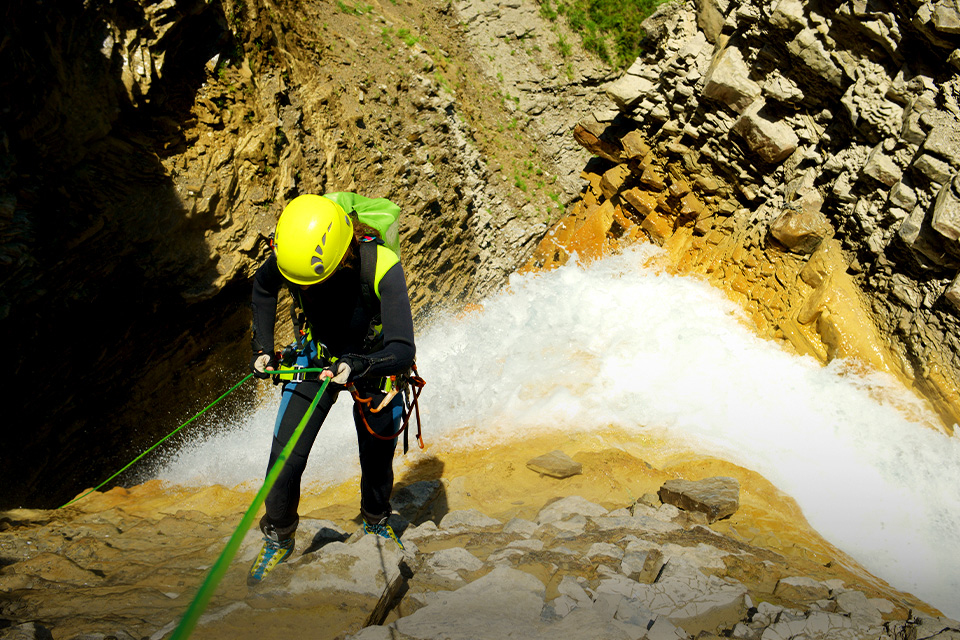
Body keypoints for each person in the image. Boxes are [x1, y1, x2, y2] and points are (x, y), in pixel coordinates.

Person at [246, 193, 416, 584]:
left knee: (376, 456)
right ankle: (279, 535)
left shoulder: (380, 265)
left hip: (374, 363)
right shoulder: (294, 258)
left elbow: (402, 349)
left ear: (342, 256)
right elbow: (263, 285)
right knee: (284, 459)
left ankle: (375, 520)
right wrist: (263, 348)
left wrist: (358, 364)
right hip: (317, 356)